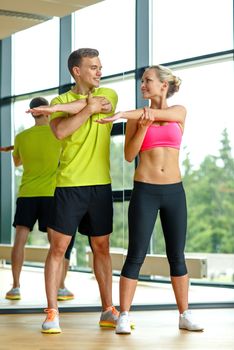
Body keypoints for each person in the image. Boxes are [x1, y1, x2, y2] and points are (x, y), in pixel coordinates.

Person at [97, 65, 204, 334]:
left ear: (163, 85)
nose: (142, 85)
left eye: (147, 81)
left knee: (176, 256)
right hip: (146, 191)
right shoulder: (137, 118)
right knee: (136, 255)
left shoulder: (178, 112)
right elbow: (129, 155)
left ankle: (184, 314)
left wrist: (122, 113)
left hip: (174, 192)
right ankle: (124, 315)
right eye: (142, 81)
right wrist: (141, 127)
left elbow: (159, 114)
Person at [28, 48, 119, 334]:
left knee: (101, 248)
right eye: (93, 67)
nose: (99, 71)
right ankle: (52, 312)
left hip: (100, 186)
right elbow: (60, 132)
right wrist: (82, 109)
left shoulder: (109, 94)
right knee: (58, 248)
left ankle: (108, 309)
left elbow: (99, 105)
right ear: (76, 71)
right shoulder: (61, 99)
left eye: (100, 66)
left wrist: (58, 110)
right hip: (69, 185)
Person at [3, 97, 74, 302]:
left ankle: (15, 287)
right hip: (52, 195)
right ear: (48, 111)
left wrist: (16, 148)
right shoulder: (58, 134)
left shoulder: (22, 137)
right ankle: (60, 287)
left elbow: (17, 162)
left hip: (27, 194)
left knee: (19, 242)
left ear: (32, 112)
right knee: (56, 244)